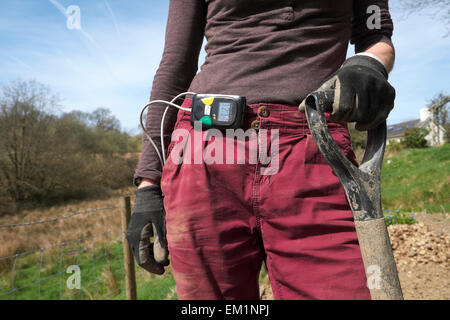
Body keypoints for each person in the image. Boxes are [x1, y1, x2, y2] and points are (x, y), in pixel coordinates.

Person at [126, 0, 395, 300]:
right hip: (205, 152)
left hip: (314, 146)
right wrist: (148, 185)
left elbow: (375, 34)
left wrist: (369, 64)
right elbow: (176, 64)